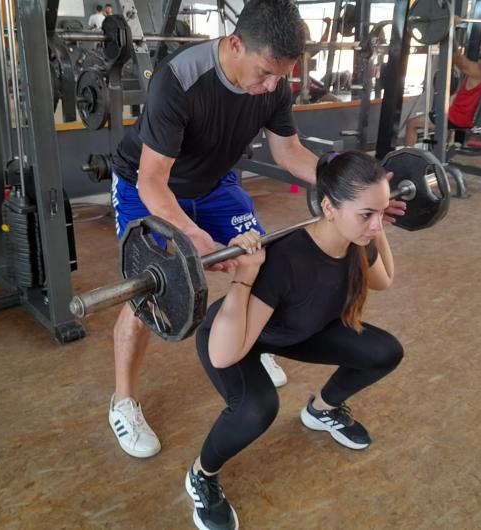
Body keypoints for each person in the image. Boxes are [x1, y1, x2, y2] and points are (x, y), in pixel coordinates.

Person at [109, 0, 395, 460]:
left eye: (281, 76)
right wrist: (191, 236)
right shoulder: (178, 81)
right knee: (150, 292)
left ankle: (251, 344)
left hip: (216, 181)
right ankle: (123, 399)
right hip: (148, 183)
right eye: (265, 72)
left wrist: (354, 183)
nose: (271, 86)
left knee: (259, 260)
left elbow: (289, 154)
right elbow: (152, 180)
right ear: (236, 44)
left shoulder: (273, 83)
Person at [185, 150, 405, 530]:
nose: (374, 224)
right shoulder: (286, 260)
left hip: (297, 331)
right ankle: (201, 474)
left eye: (381, 213)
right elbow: (224, 355)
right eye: (366, 214)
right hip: (234, 334)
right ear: (329, 207)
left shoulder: (358, 239)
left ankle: (321, 410)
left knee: (384, 351)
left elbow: (384, 280)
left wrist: (377, 227)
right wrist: (245, 275)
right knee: (256, 409)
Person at [404, 16, 481, 146]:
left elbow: (457, 57)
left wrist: (449, 27)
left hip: (458, 118)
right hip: (467, 117)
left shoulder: (479, 71)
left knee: (411, 124)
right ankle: (443, 151)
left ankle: (406, 161)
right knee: (443, 117)